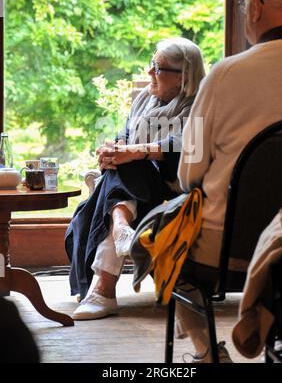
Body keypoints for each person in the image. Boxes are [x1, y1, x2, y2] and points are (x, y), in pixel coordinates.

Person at [176, 0, 282, 363]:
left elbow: (188, 173)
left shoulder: (223, 75)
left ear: (257, 9)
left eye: (245, 4)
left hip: (229, 249)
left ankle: (206, 351)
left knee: (169, 252)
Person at [65, 37, 205, 320]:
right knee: (124, 165)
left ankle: (104, 287)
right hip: (138, 191)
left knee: (132, 164)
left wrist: (133, 152)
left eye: (159, 67)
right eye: (151, 64)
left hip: (174, 194)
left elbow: (185, 145)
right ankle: (120, 230)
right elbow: (125, 138)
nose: (150, 72)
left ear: (184, 77)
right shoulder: (145, 99)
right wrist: (111, 151)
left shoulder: (199, 104)